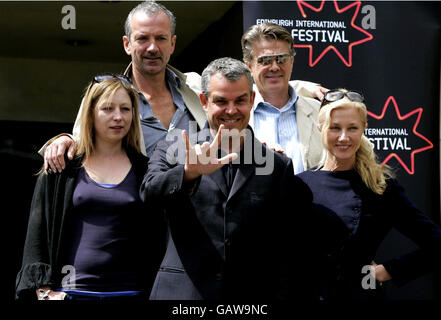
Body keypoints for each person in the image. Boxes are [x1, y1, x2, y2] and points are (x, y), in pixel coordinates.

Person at [41, 1, 323, 173]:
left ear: (172, 44)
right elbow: (82, 142)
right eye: (142, 39)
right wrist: (63, 139)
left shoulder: (193, 84)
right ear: (127, 44)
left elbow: (241, 88)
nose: (153, 47)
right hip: (132, 221)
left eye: (161, 39)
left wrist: (299, 86)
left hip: (192, 231)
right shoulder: (107, 98)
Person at [142, 57, 316, 300]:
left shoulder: (277, 165)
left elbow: (287, 246)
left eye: (240, 100)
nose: (231, 110)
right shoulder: (175, 147)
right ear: (204, 101)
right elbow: (147, 195)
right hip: (183, 294)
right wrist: (188, 173)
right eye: (221, 101)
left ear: (252, 100)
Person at [15, 74, 163, 301]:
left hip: (130, 292)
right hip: (71, 293)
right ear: (91, 113)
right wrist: (44, 293)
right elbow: (37, 233)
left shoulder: (146, 169)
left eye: (125, 109)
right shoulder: (61, 165)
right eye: (107, 108)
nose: (118, 117)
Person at [297, 89, 441, 300]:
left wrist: (387, 271)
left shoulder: (380, 187)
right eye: (335, 128)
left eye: (352, 128)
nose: (343, 137)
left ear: (364, 128)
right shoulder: (299, 184)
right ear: (320, 129)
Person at [242, 22, 326, 174]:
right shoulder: (233, 116)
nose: (274, 67)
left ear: (292, 62)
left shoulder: (320, 113)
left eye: (281, 59)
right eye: (265, 60)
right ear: (249, 66)